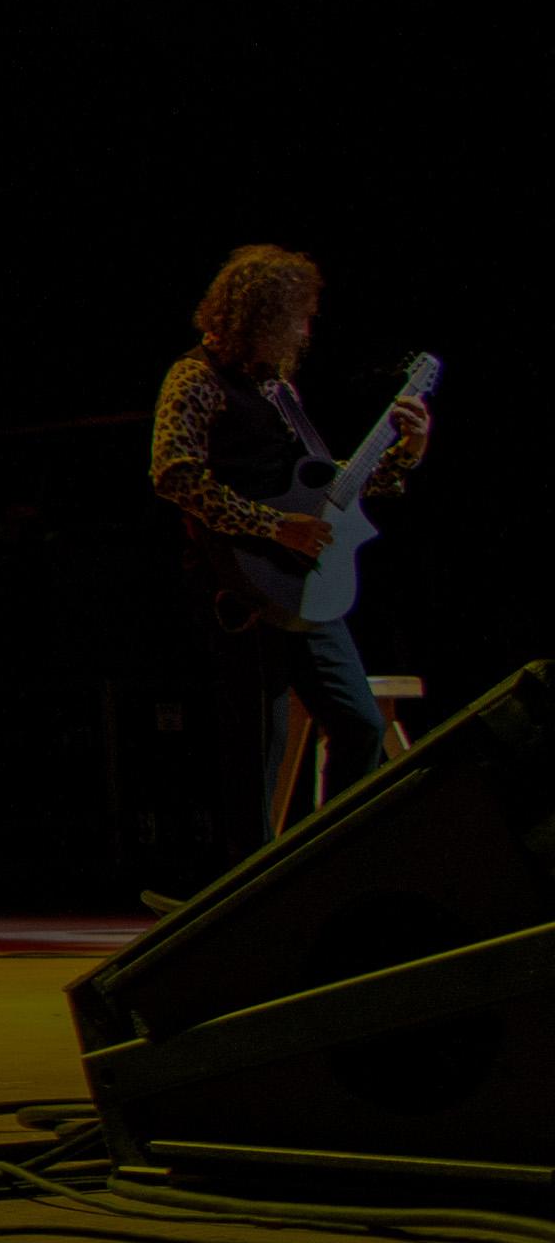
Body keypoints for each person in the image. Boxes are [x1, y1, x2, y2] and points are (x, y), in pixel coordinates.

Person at [149, 244, 430, 841]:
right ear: (263, 316)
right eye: (298, 316)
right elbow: (174, 474)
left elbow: (325, 486)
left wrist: (403, 454)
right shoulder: (195, 378)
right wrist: (275, 527)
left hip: (305, 584)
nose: (306, 330)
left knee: (359, 725)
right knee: (260, 752)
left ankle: (329, 858)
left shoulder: (280, 390)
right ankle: (244, 895)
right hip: (242, 585)